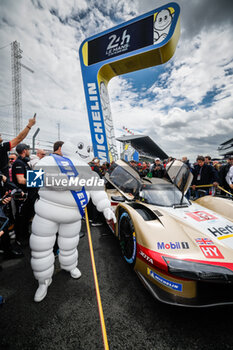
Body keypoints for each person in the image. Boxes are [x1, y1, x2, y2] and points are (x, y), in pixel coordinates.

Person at [30, 141, 116, 302]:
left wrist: (106, 208)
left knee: (69, 245)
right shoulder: (49, 161)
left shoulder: (88, 171)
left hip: (73, 216)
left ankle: (69, 266)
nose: (85, 151)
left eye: (88, 149)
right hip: (46, 214)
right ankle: (43, 280)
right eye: (81, 146)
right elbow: (34, 179)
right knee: (41, 248)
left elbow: (97, 191)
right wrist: (69, 182)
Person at [12, 143, 38, 245]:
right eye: (28, 150)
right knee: (21, 218)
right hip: (21, 195)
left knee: (26, 217)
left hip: (28, 195)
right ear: (24, 151)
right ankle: (20, 240)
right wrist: (37, 181)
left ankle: (25, 235)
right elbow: (21, 180)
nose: (29, 151)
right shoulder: (18, 163)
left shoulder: (24, 162)